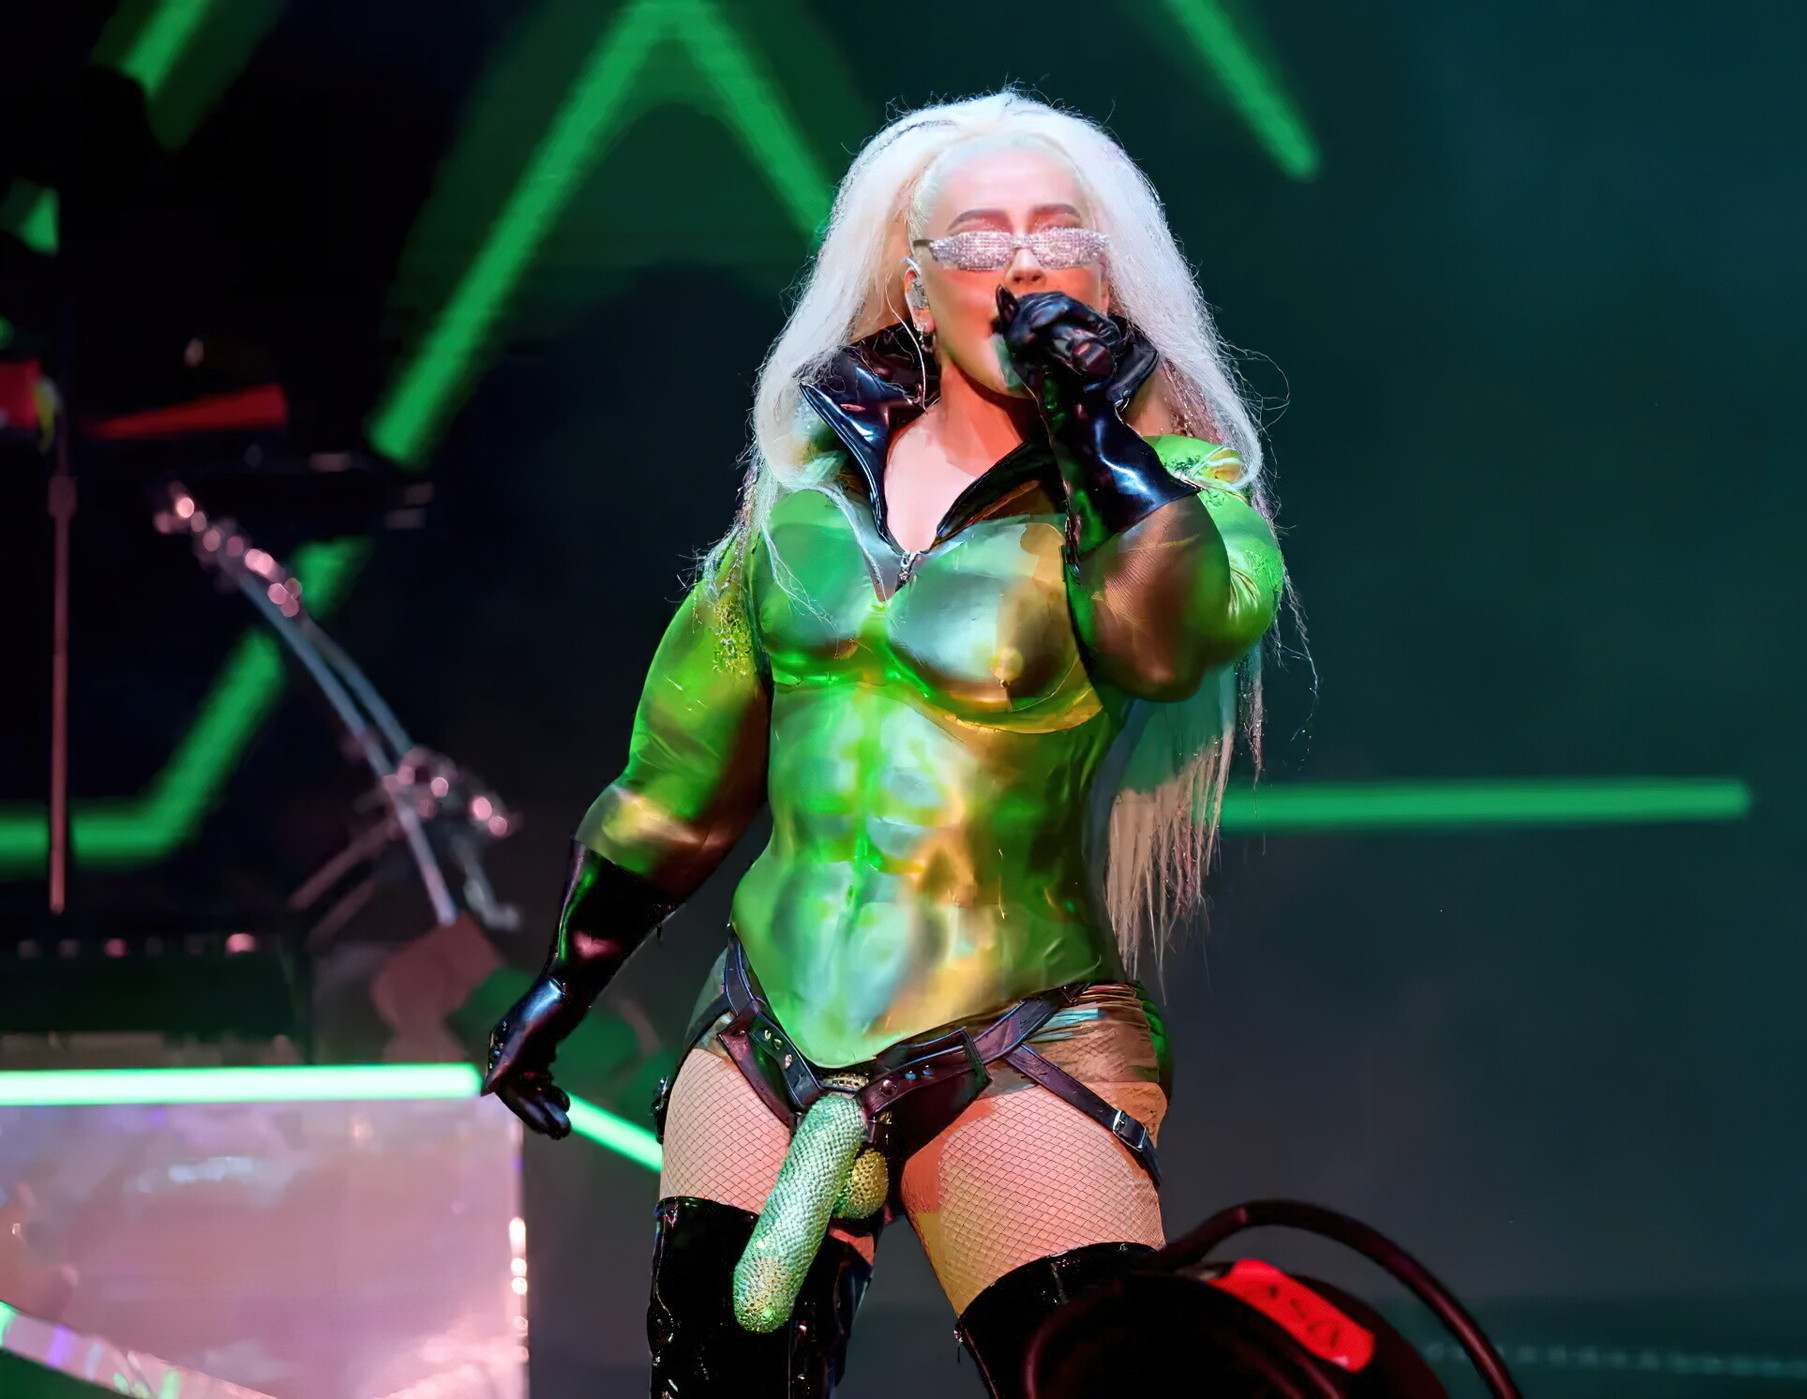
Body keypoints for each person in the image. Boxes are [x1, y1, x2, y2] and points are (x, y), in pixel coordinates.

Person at [483, 89, 1289, 1397]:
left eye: (1057, 235)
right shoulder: (797, 513)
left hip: (1015, 1033)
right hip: (769, 1024)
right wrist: (563, 984)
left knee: (1112, 1375)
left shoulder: (1172, 499)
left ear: (1105, 275)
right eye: (978, 239)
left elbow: (1169, 642)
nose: (1022, 267)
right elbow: (678, 786)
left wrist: (1096, 433)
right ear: (916, 286)